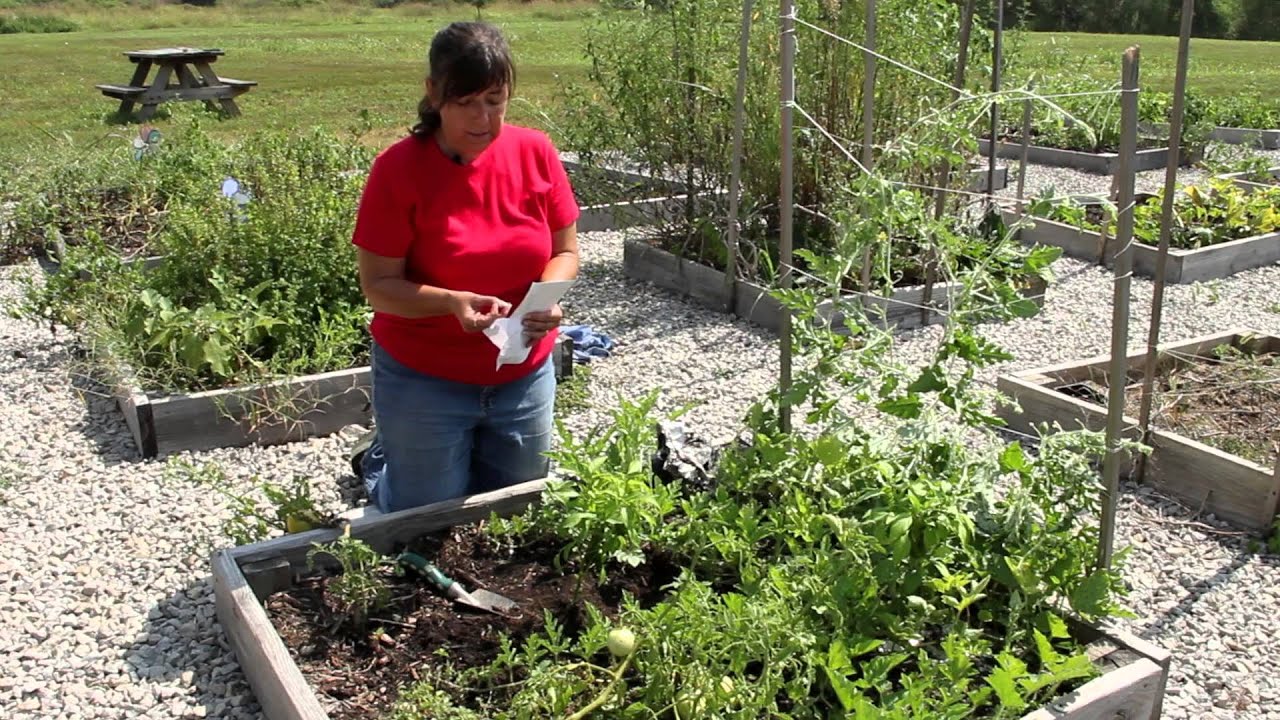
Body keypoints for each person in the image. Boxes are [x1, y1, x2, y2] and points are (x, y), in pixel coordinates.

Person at [348, 20, 580, 514]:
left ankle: (438, 455)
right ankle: (380, 464)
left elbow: (566, 252)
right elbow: (380, 287)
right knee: (421, 513)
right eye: (466, 102)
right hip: (424, 373)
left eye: (495, 100)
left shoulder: (535, 151)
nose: (483, 118)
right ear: (434, 95)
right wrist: (451, 303)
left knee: (516, 502)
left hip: (521, 367)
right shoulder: (398, 170)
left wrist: (548, 299)